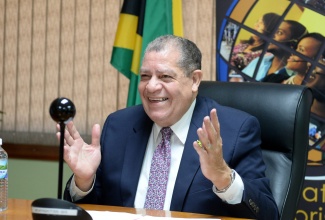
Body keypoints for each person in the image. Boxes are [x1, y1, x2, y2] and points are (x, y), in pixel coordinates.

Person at [60, 35, 278, 219]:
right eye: (145, 76)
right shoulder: (119, 126)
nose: (152, 86)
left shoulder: (234, 130)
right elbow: (95, 210)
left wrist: (223, 177)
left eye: (165, 76)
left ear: (194, 80)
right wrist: (84, 181)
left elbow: (268, 214)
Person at [242, 20, 307, 81]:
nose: (271, 35)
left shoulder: (294, 78)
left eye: (279, 32)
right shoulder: (258, 61)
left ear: (293, 44)